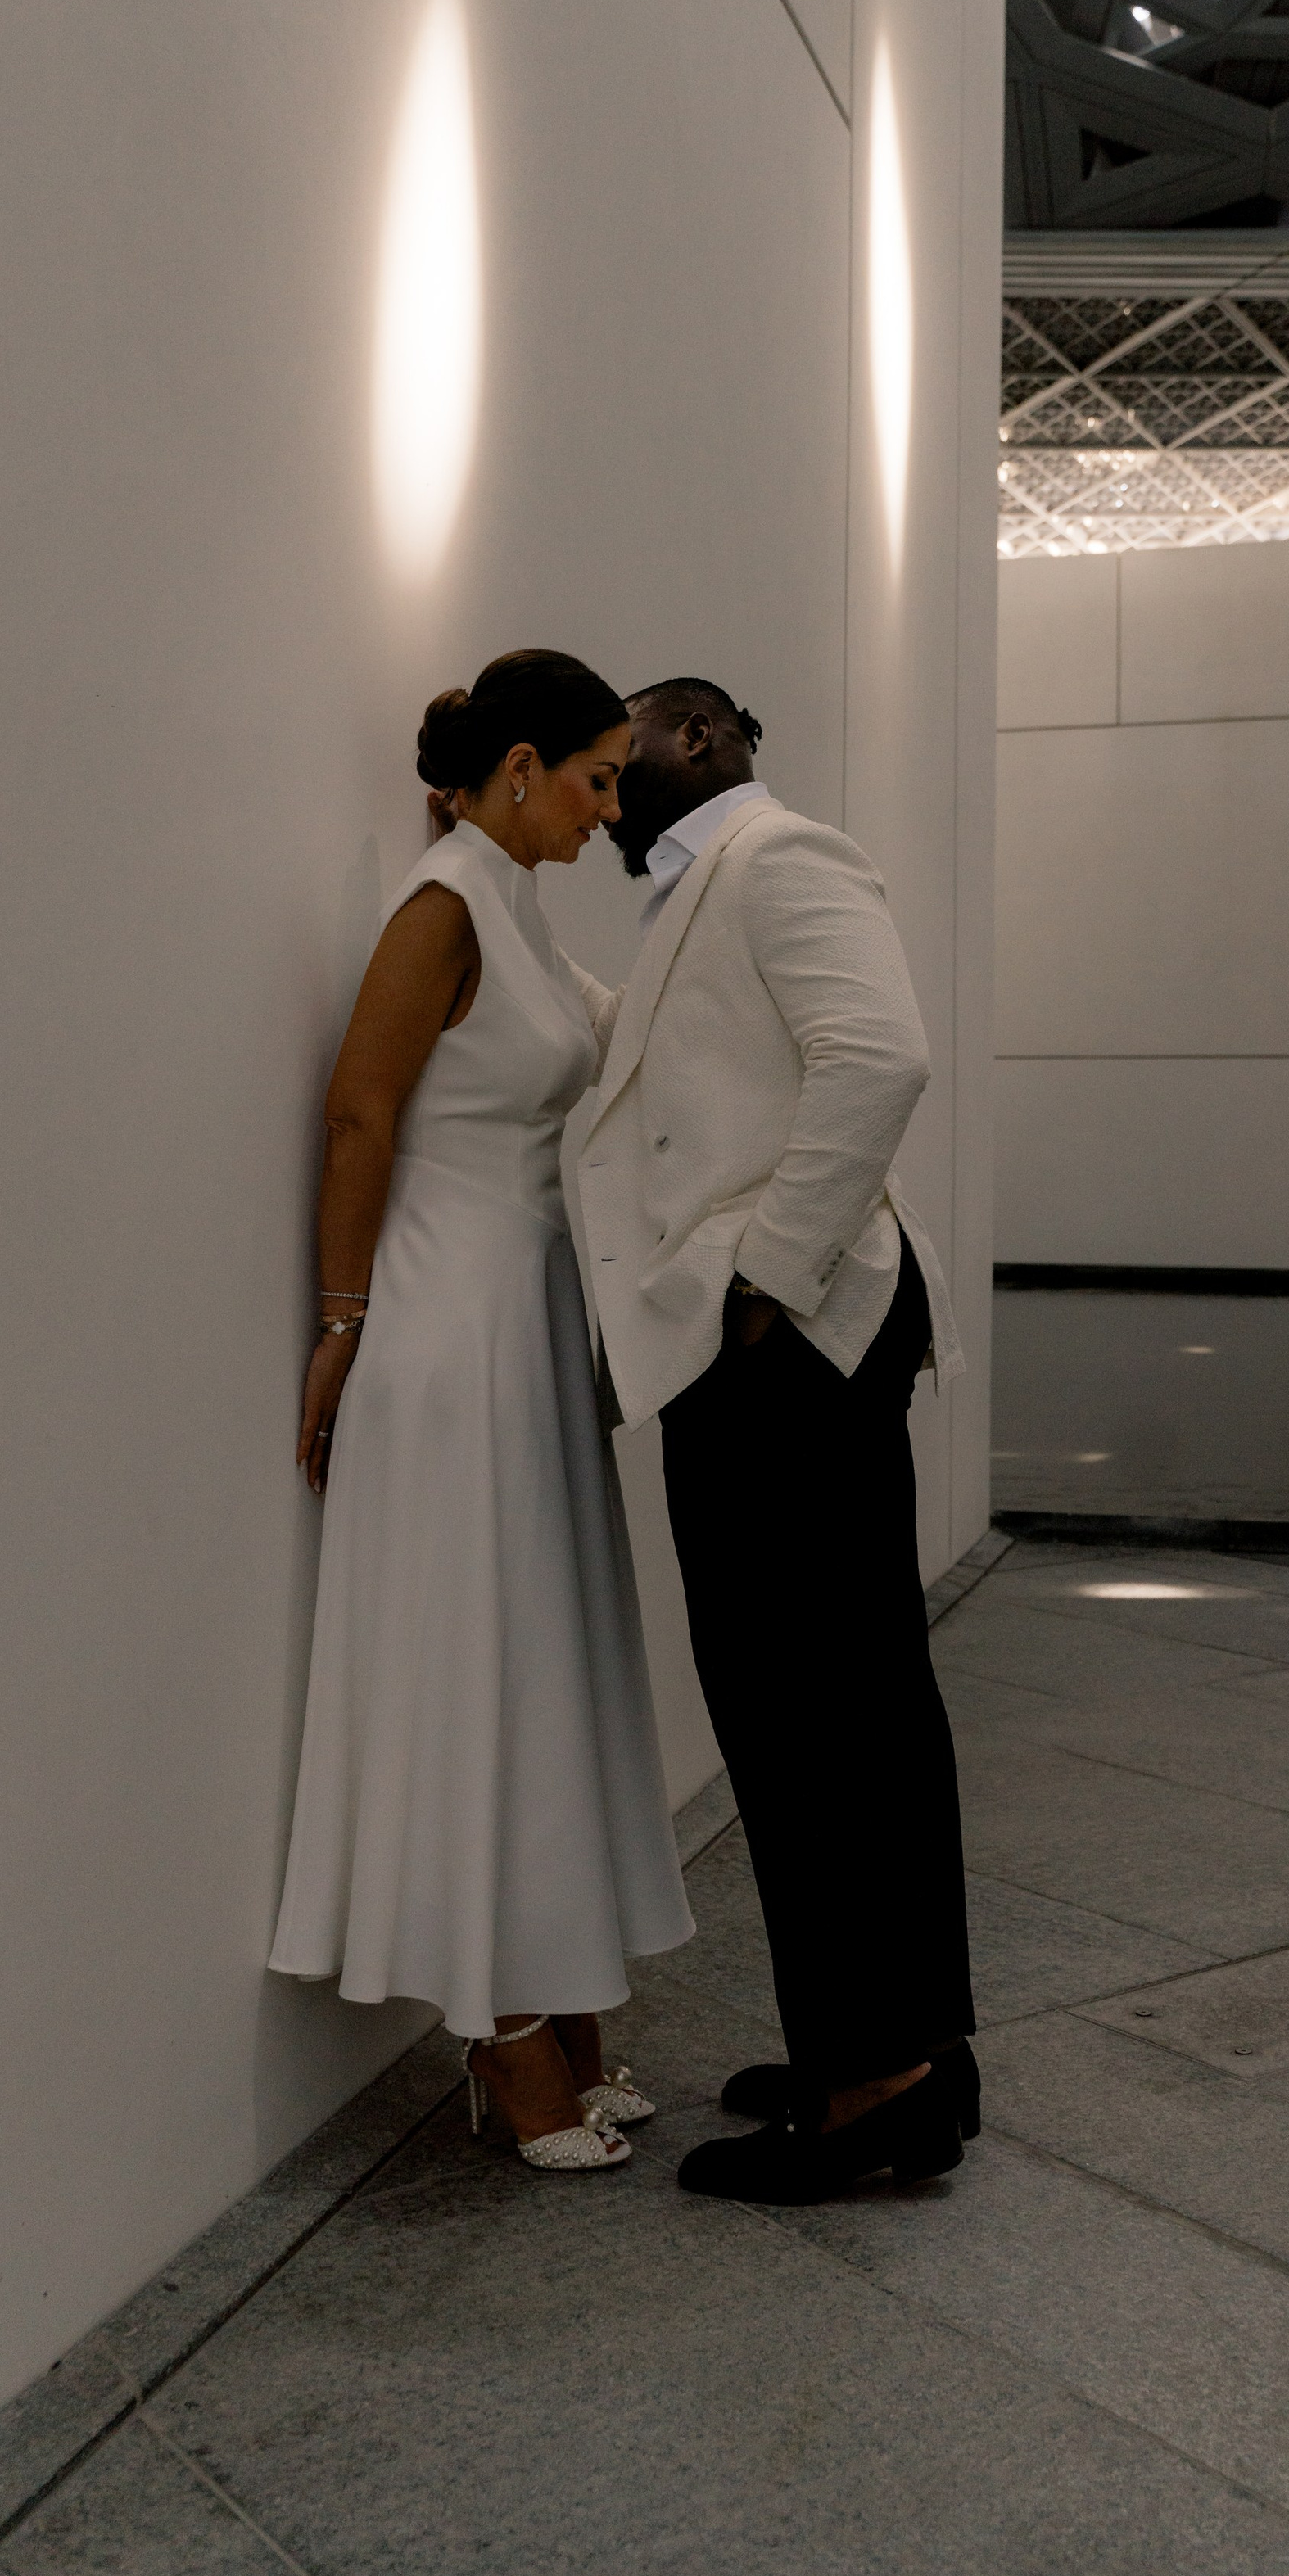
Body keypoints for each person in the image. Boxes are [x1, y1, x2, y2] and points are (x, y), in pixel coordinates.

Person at [269, 649, 692, 2172]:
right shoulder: (443, 904)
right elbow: (359, 1111)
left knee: (545, 1662)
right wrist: (337, 1326)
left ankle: (560, 1995)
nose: (607, 811)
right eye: (594, 781)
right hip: (451, 1337)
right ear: (519, 768)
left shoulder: (511, 904)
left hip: (529, 1330)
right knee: (479, 1663)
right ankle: (500, 2028)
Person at [578, 676, 977, 2203]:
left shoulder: (782, 857)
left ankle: (875, 2086)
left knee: (813, 1706)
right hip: (793, 1341)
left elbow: (881, 1060)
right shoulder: (701, 896)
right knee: (843, 1700)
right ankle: (890, 2050)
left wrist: (761, 1281)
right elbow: (672, 1072)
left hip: (791, 1343)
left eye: (632, 751)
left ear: (712, 738)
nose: (612, 786)